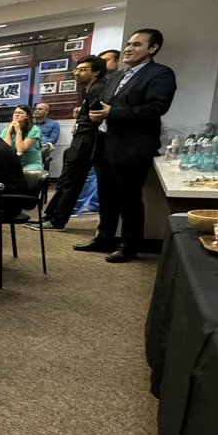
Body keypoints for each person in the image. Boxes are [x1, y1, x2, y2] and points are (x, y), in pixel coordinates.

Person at [76, 29, 177, 262]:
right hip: (104, 143)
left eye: (137, 45)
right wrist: (97, 115)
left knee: (129, 198)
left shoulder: (160, 74)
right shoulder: (116, 76)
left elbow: (156, 108)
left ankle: (129, 245)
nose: (129, 49)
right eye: (128, 44)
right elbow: (105, 106)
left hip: (132, 146)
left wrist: (114, 112)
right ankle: (104, 238)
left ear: (153, 48)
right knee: (106, 195)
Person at [39, 55, 108, 230]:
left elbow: (96, 117)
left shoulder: (98, 88)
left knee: (71, 181)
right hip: (81, 138)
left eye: (83, 69)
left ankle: (57, 221)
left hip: (87, 140)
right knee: (66, 180)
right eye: (76, 69)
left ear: (96, 72)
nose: (77, 73)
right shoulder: (90, 89)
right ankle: (52, 215)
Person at [1, 104, 43, 170]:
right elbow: (7, 149)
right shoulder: (6, 130)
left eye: (21, 113)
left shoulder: (34, 129)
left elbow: (20, 150)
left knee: (19, 173)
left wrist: (18, 131)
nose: (17, 115)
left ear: (27, 116)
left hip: (30, 163)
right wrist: (8, 132)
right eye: (15, 113)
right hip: (13, 162)